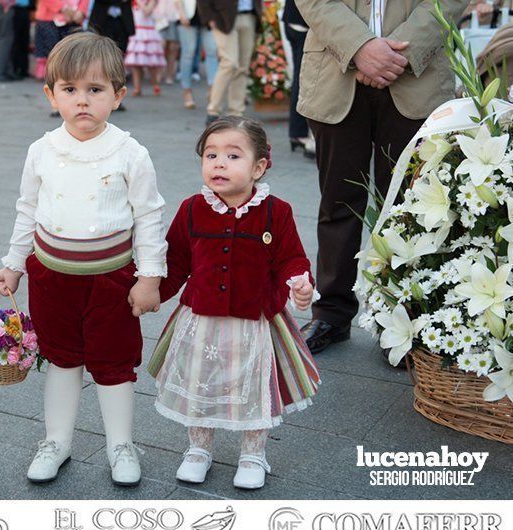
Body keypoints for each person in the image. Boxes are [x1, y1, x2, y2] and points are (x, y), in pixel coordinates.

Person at [0, 32, 167, 487]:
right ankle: (57, 440)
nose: (82, 101)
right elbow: (27, 209)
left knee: (112, 362)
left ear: (118, 94)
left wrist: (150, 277)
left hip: (111, 278)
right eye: (69, 90)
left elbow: (149, 216)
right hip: (52, 276)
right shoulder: (42, 150)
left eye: (95, 90)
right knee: (62, 359)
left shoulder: (130, 152)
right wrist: (13, 263)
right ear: (50, 94)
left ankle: (120, 444)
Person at [149, 116, 320, 490]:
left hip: (254, 320)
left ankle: (253, 454)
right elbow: (175, 262)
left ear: (259, 167)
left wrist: (300, 284)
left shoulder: (277, 211)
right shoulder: (192, 208)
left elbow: (292, 258)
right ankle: (198, 450)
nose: (219, 163)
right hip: (201, 319)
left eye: (232, 155)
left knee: (253, 385)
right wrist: (151, 294)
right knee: (201, 384)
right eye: (211, 155)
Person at [294, 0, 468, 354]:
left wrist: (396, 54)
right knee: (337, 203)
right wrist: (360, 47)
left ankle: (403, 319)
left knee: (410, 210)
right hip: (334, 70)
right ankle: (332, 313)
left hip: (417, 75)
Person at [197, 0, 261, 125]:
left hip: (249, 15)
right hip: (222, 17)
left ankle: (236, 112)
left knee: (242, 67)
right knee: (229, 63)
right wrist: (208, 17)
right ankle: (213, 110)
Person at [282, 0, 313, 159]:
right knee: (305, 80)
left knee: (300, 79)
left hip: (294, 20)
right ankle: (302, 134)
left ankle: (297, 132)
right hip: (303, 23)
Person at [174, 0, 217, 109]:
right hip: (187, 15)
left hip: (209, 14)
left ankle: (213, 90)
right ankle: (187, 91)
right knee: (188, 53)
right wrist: (181, 12)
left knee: (212, 51)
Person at [33, 0, 88, 80]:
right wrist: (64, 9)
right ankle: (50, 71)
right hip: (49, 17)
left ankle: (68, 71)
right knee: (50, 47)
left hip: (74, 18)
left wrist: (81, 12)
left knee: (73, 48)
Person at [124, 0, 166, 96]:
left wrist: (139, 1)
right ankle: (137, 88)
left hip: (148, 32)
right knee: (135, 63)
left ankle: (155, 84)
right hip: (136, 32)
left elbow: (147, 12)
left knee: (151, 62)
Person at [155, 0, 179, 85]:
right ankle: (158, 74)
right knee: (161, 47)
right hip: (159, 17)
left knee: (173, 48)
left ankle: (170, 75)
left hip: (174, 17)